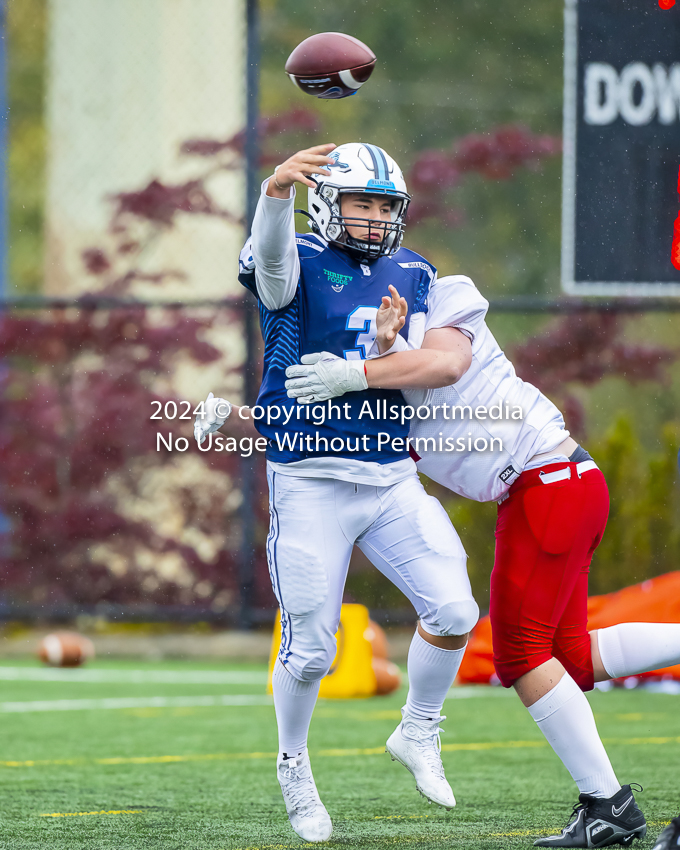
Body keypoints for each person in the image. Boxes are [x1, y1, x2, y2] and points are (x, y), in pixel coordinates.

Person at [284, 274, 680, 848]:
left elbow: (442, 366)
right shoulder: (367, 353)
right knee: (566, 656)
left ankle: (608, 805)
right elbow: (317, 433)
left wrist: (360, 369)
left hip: (547, 482)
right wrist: (240, 418)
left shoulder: (445, 293)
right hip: (552, 487)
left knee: (519, 656)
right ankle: (609, 804)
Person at [195, 144, 480, 843]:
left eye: (387, 206)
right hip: (310, 479)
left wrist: (385, 351)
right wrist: (273, 194)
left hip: (388, 476)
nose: (377, 218)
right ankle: (293, 763)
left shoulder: (413, 272)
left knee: (455, 608)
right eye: (363, 202)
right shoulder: (293, 250)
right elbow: (267, 270)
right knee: (313, 651)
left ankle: (418, 730)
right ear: (327, 203)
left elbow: (399, 371)